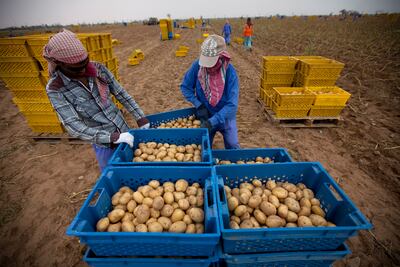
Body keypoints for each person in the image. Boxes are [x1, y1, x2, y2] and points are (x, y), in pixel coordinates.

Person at [43, 29, 150, 171]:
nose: (82, 71)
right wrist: (112, 138)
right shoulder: (56, 88)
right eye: (76, 69)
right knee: (113, 171)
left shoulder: (98, 68)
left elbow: (120, 93)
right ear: (59, 64)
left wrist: (139, 116)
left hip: (125, 131)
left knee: (137, 167)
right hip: (104, 144)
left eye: (84, 64)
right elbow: (74, 126)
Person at [180, 34, 240, 149]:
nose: (207, 67)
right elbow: (185, 87)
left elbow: (232, 105)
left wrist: (214, 121)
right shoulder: (198, 66)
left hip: (225, 116)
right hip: (205, 115)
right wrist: (199, 104)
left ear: (221, 57)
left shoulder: (230, 73)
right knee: (203, 147)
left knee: (233, 145)